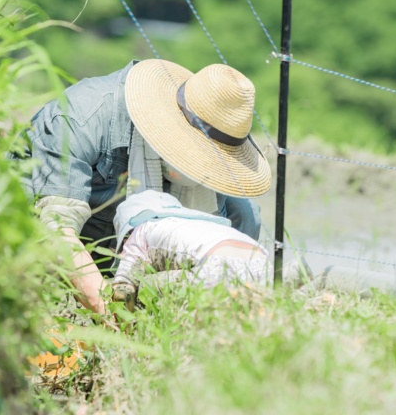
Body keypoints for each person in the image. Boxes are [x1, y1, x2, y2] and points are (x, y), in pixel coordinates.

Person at [18, 59, 272, 314]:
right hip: (36, 239)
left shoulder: (234, 206)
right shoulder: (82, 116)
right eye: (199, 156)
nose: (203, 169)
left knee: (243, 210)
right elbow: (57, 231)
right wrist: (109, 314)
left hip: (127, 254)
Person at [111, 190, 271, 310]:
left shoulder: (141, 232)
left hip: (216, 267)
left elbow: (123, 288)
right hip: (262, 263)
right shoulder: (193, 224)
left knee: (145, 287)